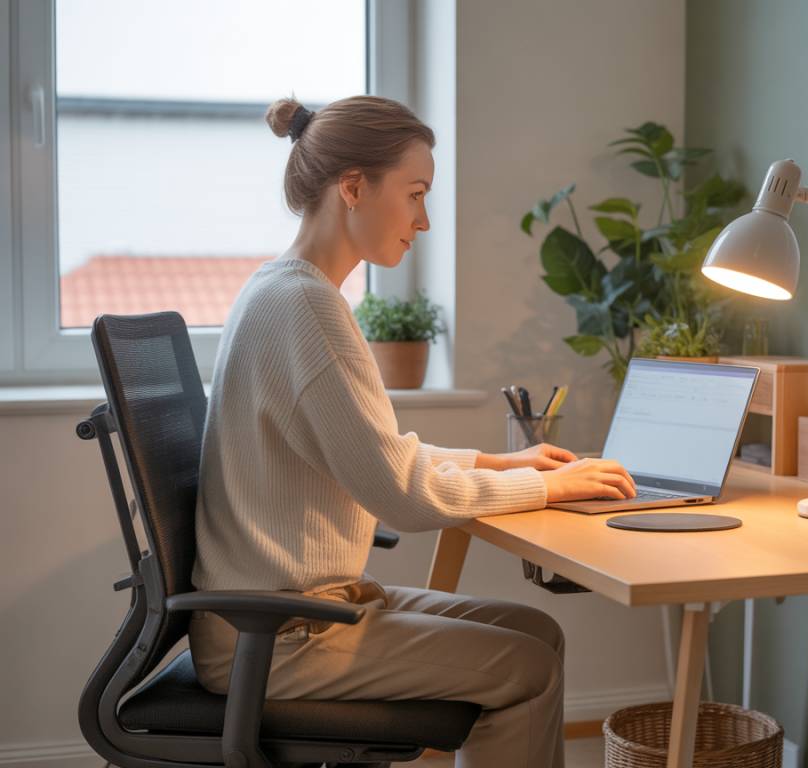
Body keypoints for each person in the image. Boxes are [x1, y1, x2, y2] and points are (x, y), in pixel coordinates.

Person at [188, 94, 637, 768]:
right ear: (353, 187)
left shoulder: (283, 290)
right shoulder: (306, 307)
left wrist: (506, 462)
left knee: (534, 631)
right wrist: (549, 490)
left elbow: (375, 455)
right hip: (282, 636)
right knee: (527, 667)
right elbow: (401, 494)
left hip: (296, 613)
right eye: (415, 194)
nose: (423, 221)